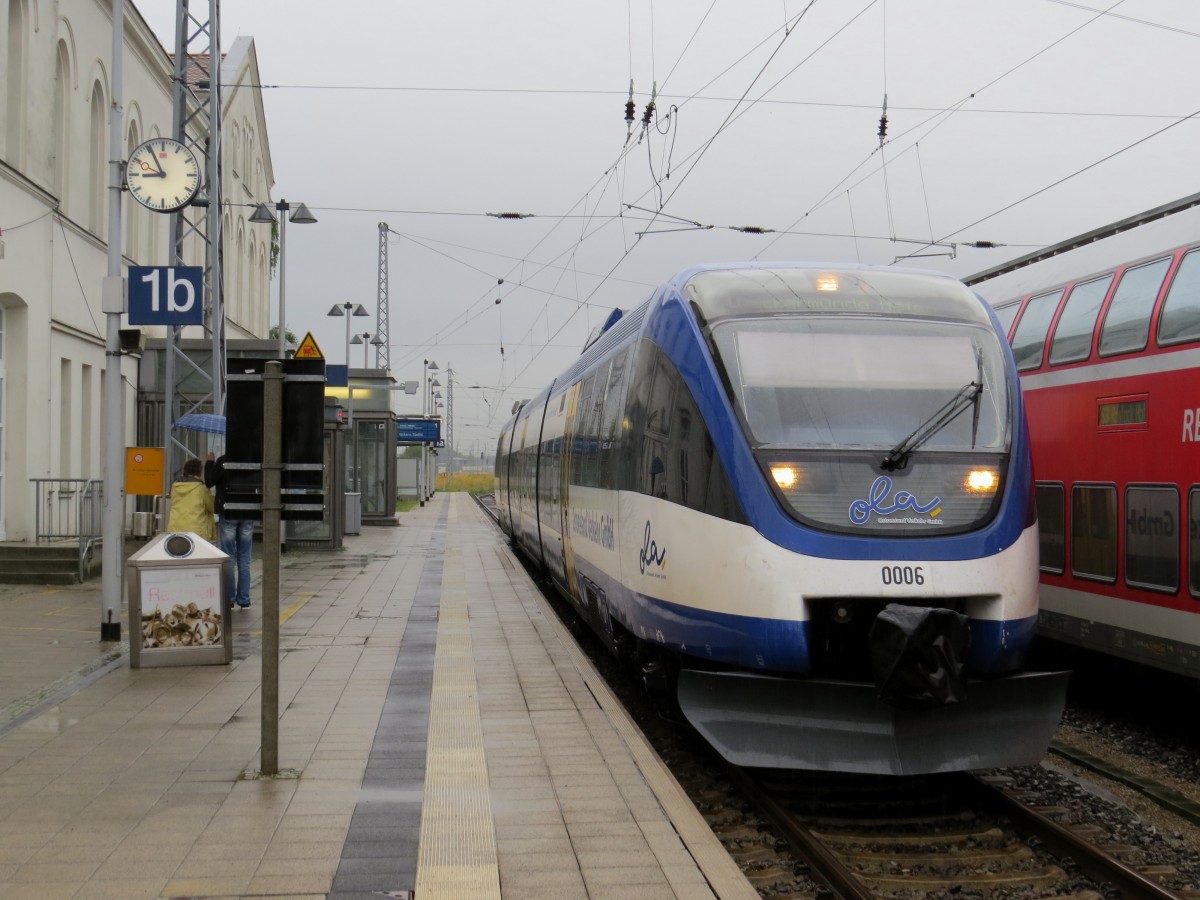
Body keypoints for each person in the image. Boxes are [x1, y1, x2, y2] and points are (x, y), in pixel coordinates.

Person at [205, 452, 254, 609]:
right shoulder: (251, 460)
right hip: (247, 512)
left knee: (229, 557)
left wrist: (209, 463)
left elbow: (208, 482)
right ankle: (244, 599)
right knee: (244, 558)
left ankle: (229, 599)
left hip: (229, 512)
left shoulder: (223, 461)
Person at [167, 458, 216, 542]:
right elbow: (212, 507)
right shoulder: (202, 488)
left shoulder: (175, 486)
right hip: (196, 531)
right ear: (200, 471)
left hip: (175, 528)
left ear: (185, 470)